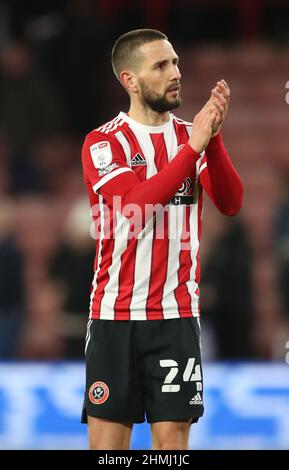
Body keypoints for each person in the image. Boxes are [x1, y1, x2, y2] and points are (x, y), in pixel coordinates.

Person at [81, 29, 243, 450]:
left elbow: (230, 202)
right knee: (109, 449)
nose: (175, 73)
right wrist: (193, 149)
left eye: (175, 62)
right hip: (116, 316)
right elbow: (136, 202)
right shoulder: (104, 142)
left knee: (173, 446)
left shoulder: (194, 137)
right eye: (160, 65)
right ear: (129, 81)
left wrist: (215, 138)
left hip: (176, 315)